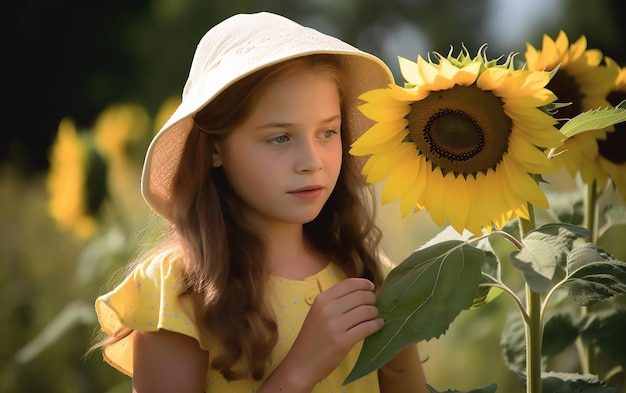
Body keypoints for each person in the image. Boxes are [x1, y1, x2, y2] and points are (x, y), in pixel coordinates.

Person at [94, 11, 428, 393]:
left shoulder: (366, 271)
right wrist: (301, 368)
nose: (312, 162)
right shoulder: (178, 292)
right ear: (216, 147)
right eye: (280, 138)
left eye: (327, 132)